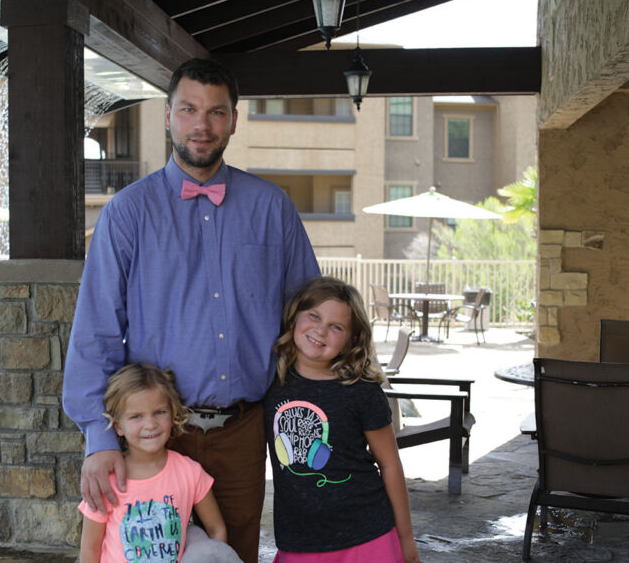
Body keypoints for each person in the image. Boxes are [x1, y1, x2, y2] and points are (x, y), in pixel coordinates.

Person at [63, 57, 321, 563]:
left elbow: (309, 319)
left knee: (236, 553)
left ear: (233, 120)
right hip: (154, 434)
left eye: (216, 112)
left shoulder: (272, 208)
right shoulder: (127, 213)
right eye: (188, 109)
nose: (201, 125)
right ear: (167, 116)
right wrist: (100, 436)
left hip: (243, 432)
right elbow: (96, 331)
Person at [264, 277, 419, 563]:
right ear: (293, 317)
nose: (320, 330)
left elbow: (389, 464)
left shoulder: (362, 390)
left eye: (336, 327)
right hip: (299, 541)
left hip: (368, 536)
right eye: (314, 316)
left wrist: (406, 538)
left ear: (352, 340)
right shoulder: (269, 382)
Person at [78, 363, 233, 563]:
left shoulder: (190, 472)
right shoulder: (106, 481)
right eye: (136, 416)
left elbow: (216, 529)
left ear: (173, 413)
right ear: (118, 426)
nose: (150, 424)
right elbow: (90, 548)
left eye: (159, 412)